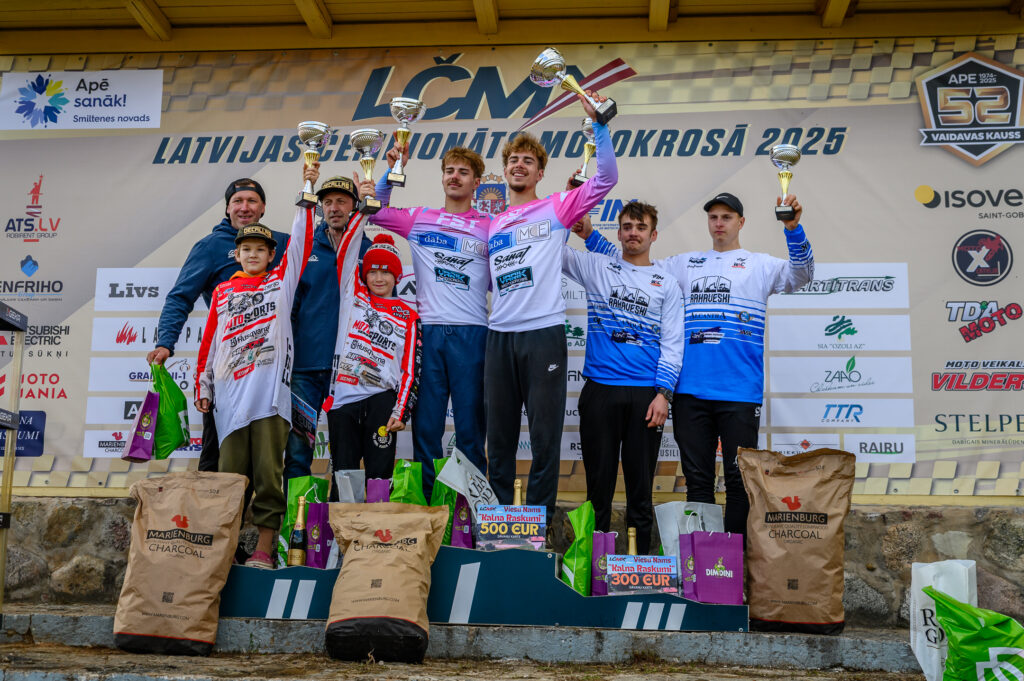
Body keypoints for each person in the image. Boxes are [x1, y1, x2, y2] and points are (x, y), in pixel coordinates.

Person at [581, 191, 814, 535]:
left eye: (727, 217)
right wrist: (590, 236)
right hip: (690, 393)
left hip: (739, 393)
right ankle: (704, 560)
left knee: (738, 481)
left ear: (741, 222)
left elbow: (802, 275)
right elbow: (632, 263)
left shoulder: (760, 265)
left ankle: (733, 558)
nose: (719, 223)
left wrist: (793, 229)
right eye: (713, 217)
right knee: (698, 481)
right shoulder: (684, 265)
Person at [485, 92, 618, 519]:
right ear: (505, 169)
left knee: (544, 440)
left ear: (540, 172)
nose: (519, 165)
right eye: (513, 160)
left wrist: (599, 126)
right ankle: (496, 525)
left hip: (543, 334)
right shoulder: (493, 223)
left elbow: (606, 179)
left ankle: (537, 529)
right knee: (499, 442)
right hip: (498, 336)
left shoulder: (557, 207)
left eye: (528, 161)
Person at [194, 200, 315, 569]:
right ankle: (226, 550)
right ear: (237, 254)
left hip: (269, 399)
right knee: (229, 478)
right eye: (246, 249)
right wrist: (203, 386)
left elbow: (301, 244)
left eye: (260, 250)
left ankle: (264, 548)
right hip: (230, 400)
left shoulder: (281, 284)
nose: (252, 255)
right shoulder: (222, 292)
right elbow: (210, 343)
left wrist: (306, 197)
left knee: (268, 474)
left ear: (271, 255)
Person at [370, 145, 491, 497]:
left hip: (473, 334)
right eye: (449, 170)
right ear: (442, 177)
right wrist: (392, 170)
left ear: (476, 182)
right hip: (428, 334)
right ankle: (427, 510)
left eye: (463, 172)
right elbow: (375, 209)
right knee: (426, 429)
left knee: (470, 430)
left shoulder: (490, 226)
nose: (455, 177)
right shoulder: (420, 217)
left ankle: (467, 511)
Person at [563, 202, 683, 554]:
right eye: (627, 226)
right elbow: (554, 250)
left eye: (641, 227)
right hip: (600, 391)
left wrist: (663, 393)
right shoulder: (598, 266)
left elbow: (673, 342)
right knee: (597, 491)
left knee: (640, 492)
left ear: (653, 235)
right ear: (618, 233)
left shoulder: (667, 283)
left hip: (646, 396)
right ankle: (592, 566)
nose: (633, 232)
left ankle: (640, 566)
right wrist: (570, 209)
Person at [149, 179, 289, 471]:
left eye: (252, 201)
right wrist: (165, 342)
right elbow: (180, 297)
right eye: (238, 201)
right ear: (227, 208)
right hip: (229, 372)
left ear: (263, 207)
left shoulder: (281, 243)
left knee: (267, 459)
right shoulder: (210, 246)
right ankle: (215, 503)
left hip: (270, 373)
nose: (244, 207)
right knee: (218, 456)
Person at [285, 169, 372, 483]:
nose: (334, 208)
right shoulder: (304, 247)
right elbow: (289, 308)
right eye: (328, 202)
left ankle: (342, 513)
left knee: (347, 453)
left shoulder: (367, 250)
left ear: (354, 205)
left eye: (342, 201)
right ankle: (294, 513)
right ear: (320, 207)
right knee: (299, 449)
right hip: (305, 369)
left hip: (350, 371)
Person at [326, 212, 421, 483]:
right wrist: (362, 213)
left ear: (397, 276)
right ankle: (343, 515)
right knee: (344, 476)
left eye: (386, 272)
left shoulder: (408, 316)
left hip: (382, 401)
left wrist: (400, 411)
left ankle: (378, 514)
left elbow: (411, 371)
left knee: (379, 477)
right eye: (373, 272)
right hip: (343, 400)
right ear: (364, 274)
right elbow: (346, 254)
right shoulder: (353, 296)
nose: (379, 278)